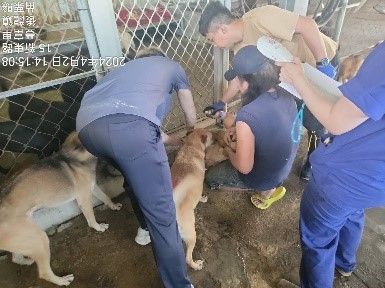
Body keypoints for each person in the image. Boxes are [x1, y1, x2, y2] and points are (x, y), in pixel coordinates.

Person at [76, 47, 196, 288]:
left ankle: (143, 230)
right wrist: (192, 132)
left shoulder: (122, 72)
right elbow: (188, 107)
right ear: (160, 58)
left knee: (134, 173)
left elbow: (144, 129)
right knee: (162, 215)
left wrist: (172, 141)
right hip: (132, 131)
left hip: (87, 130)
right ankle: (179, 285)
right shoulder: (171, 66)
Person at [276, 42, 385, 287]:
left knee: (318, 241)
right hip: (377, 180)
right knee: (353, 212)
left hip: (345, 174)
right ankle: (345, 265)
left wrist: (298, 79)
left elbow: (336, 121)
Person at [199, 1, 339, 181]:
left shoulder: (261, 18)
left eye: (212, 39)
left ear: (222, 29)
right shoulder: (239, 46)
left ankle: (315, 158)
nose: (215, 45)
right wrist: (222, 102)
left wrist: (323, 63)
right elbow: (240, 78)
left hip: (317, 64)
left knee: (315, 122)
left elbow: (307, 25)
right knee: (297, 114)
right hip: (293, 76)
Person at [205, 45, 299, 209]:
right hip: (284, 168)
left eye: (238, 82)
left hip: (264, 176)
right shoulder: (286, 93)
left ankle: (261, 188)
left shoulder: (247, 115)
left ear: (248, 83)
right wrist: (238, 131)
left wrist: (228, 151)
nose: (238, 87)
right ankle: (270, 187)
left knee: (211, 179)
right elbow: (270, 127)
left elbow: (244, 167)